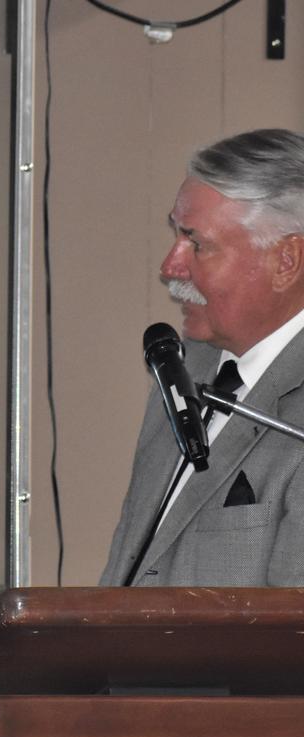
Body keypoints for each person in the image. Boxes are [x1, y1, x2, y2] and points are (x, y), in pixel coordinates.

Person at [102, 128, 304, 587]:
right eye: (176, 236)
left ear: (286, 261)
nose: (170, 267)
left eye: (197, 243)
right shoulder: (183, 369)